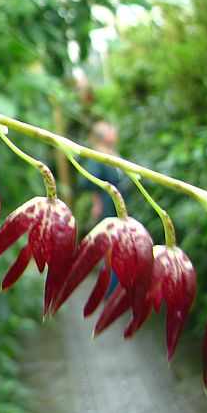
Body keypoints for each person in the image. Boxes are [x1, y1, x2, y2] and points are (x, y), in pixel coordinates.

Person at [82, 121, 123, 295]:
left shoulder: (112, 153)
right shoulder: (97, 157)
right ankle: (108, 289)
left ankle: (115, 287)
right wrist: (97, 201)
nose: (115, 133)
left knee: (118, 246)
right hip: (107, 207)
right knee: (110, 246)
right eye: (111, 130)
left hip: (118, 205)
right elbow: (88, 181)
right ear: (104, 136)